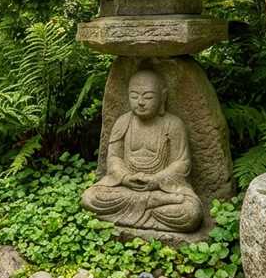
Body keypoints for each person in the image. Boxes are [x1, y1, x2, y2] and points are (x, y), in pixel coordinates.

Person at [82, 68, 202, 232]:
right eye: (134, 96)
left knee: (190, 213)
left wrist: (156, 180)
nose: (140, 101)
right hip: (126, 188)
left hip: (161, 189)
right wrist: (125, 178)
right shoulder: (123, 122)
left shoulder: (173, 124)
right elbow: (113, 158)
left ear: (163, 97)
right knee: (89, 198)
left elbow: (182, 163)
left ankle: (137, 211)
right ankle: (150, 208)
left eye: (148, 96)